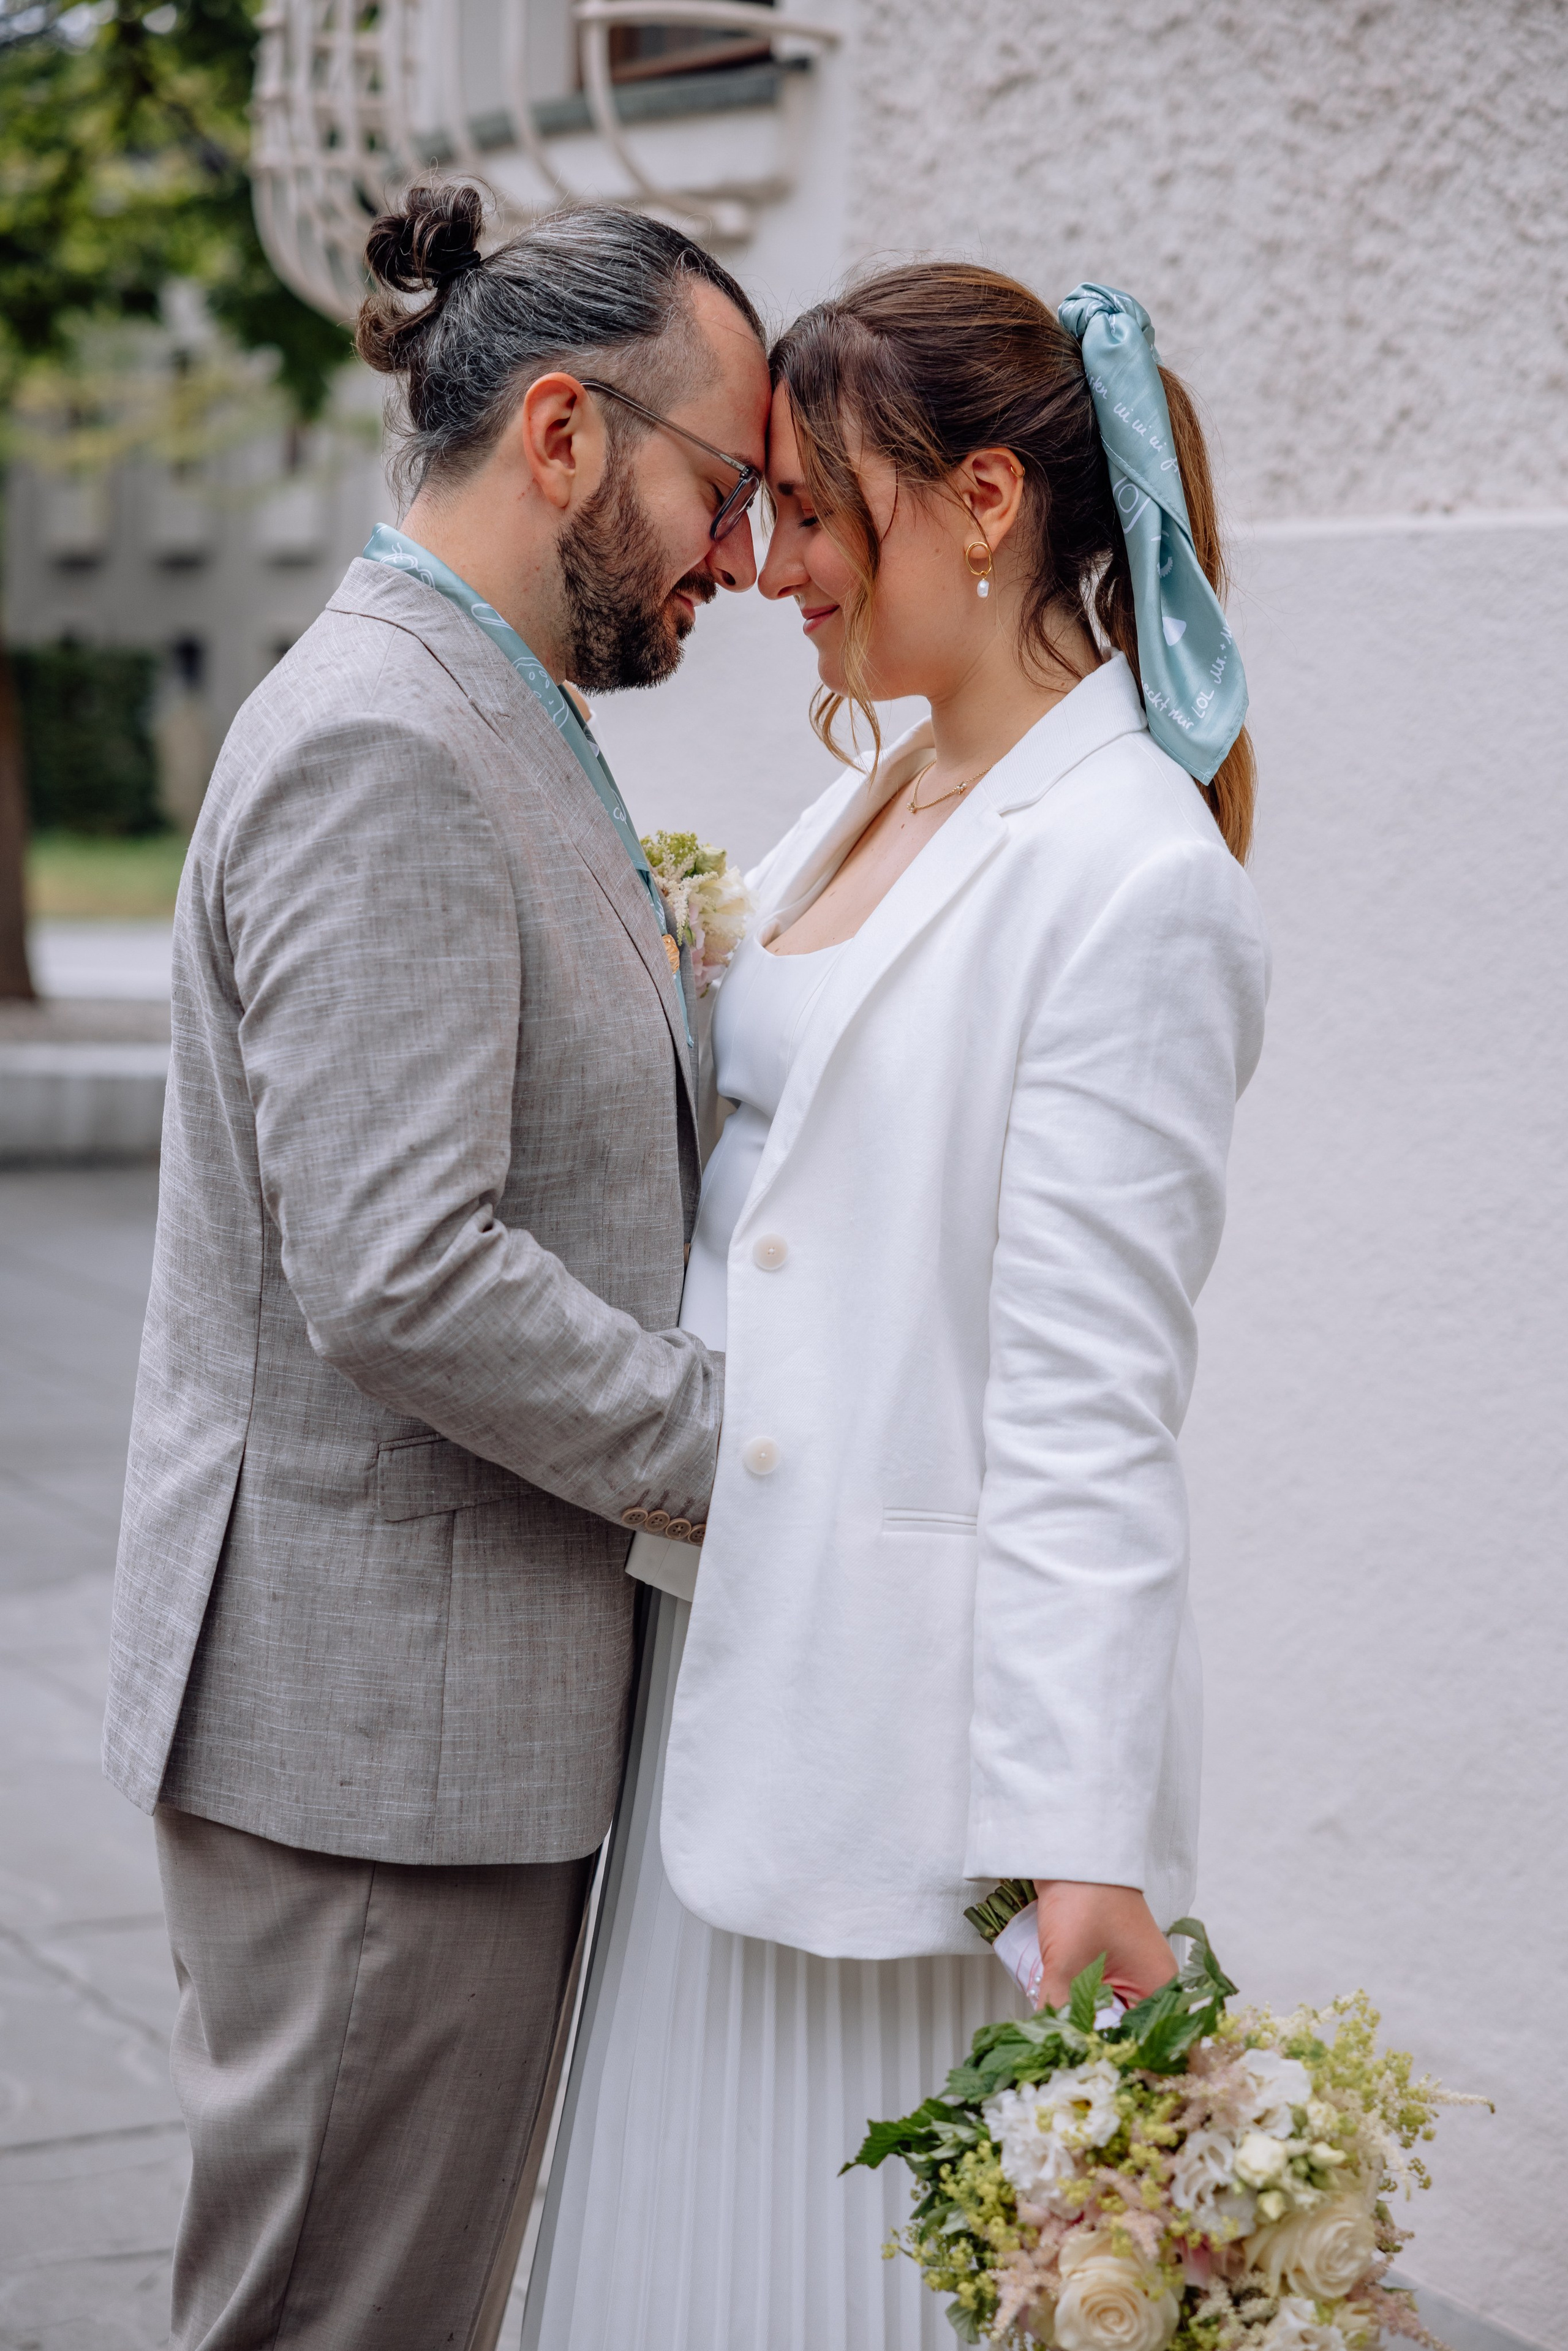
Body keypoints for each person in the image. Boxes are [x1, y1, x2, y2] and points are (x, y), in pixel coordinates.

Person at [522, 268, 1268, 2350]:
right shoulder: (877, 791)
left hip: (912, 1771)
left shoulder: (1131, 878)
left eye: (814, 512)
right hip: (720, 1686)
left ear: (987, 501)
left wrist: (1081, 1841)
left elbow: (1088, 1409)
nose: (767, 568)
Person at [102, 186, 772, 2350]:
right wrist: (759, 1457)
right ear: (565, 433)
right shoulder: (391, 737)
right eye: (727, 485)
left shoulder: (482, 706)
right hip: (373, 1742)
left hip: (430, 1715)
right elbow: (400, 1275)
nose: (743, 561)